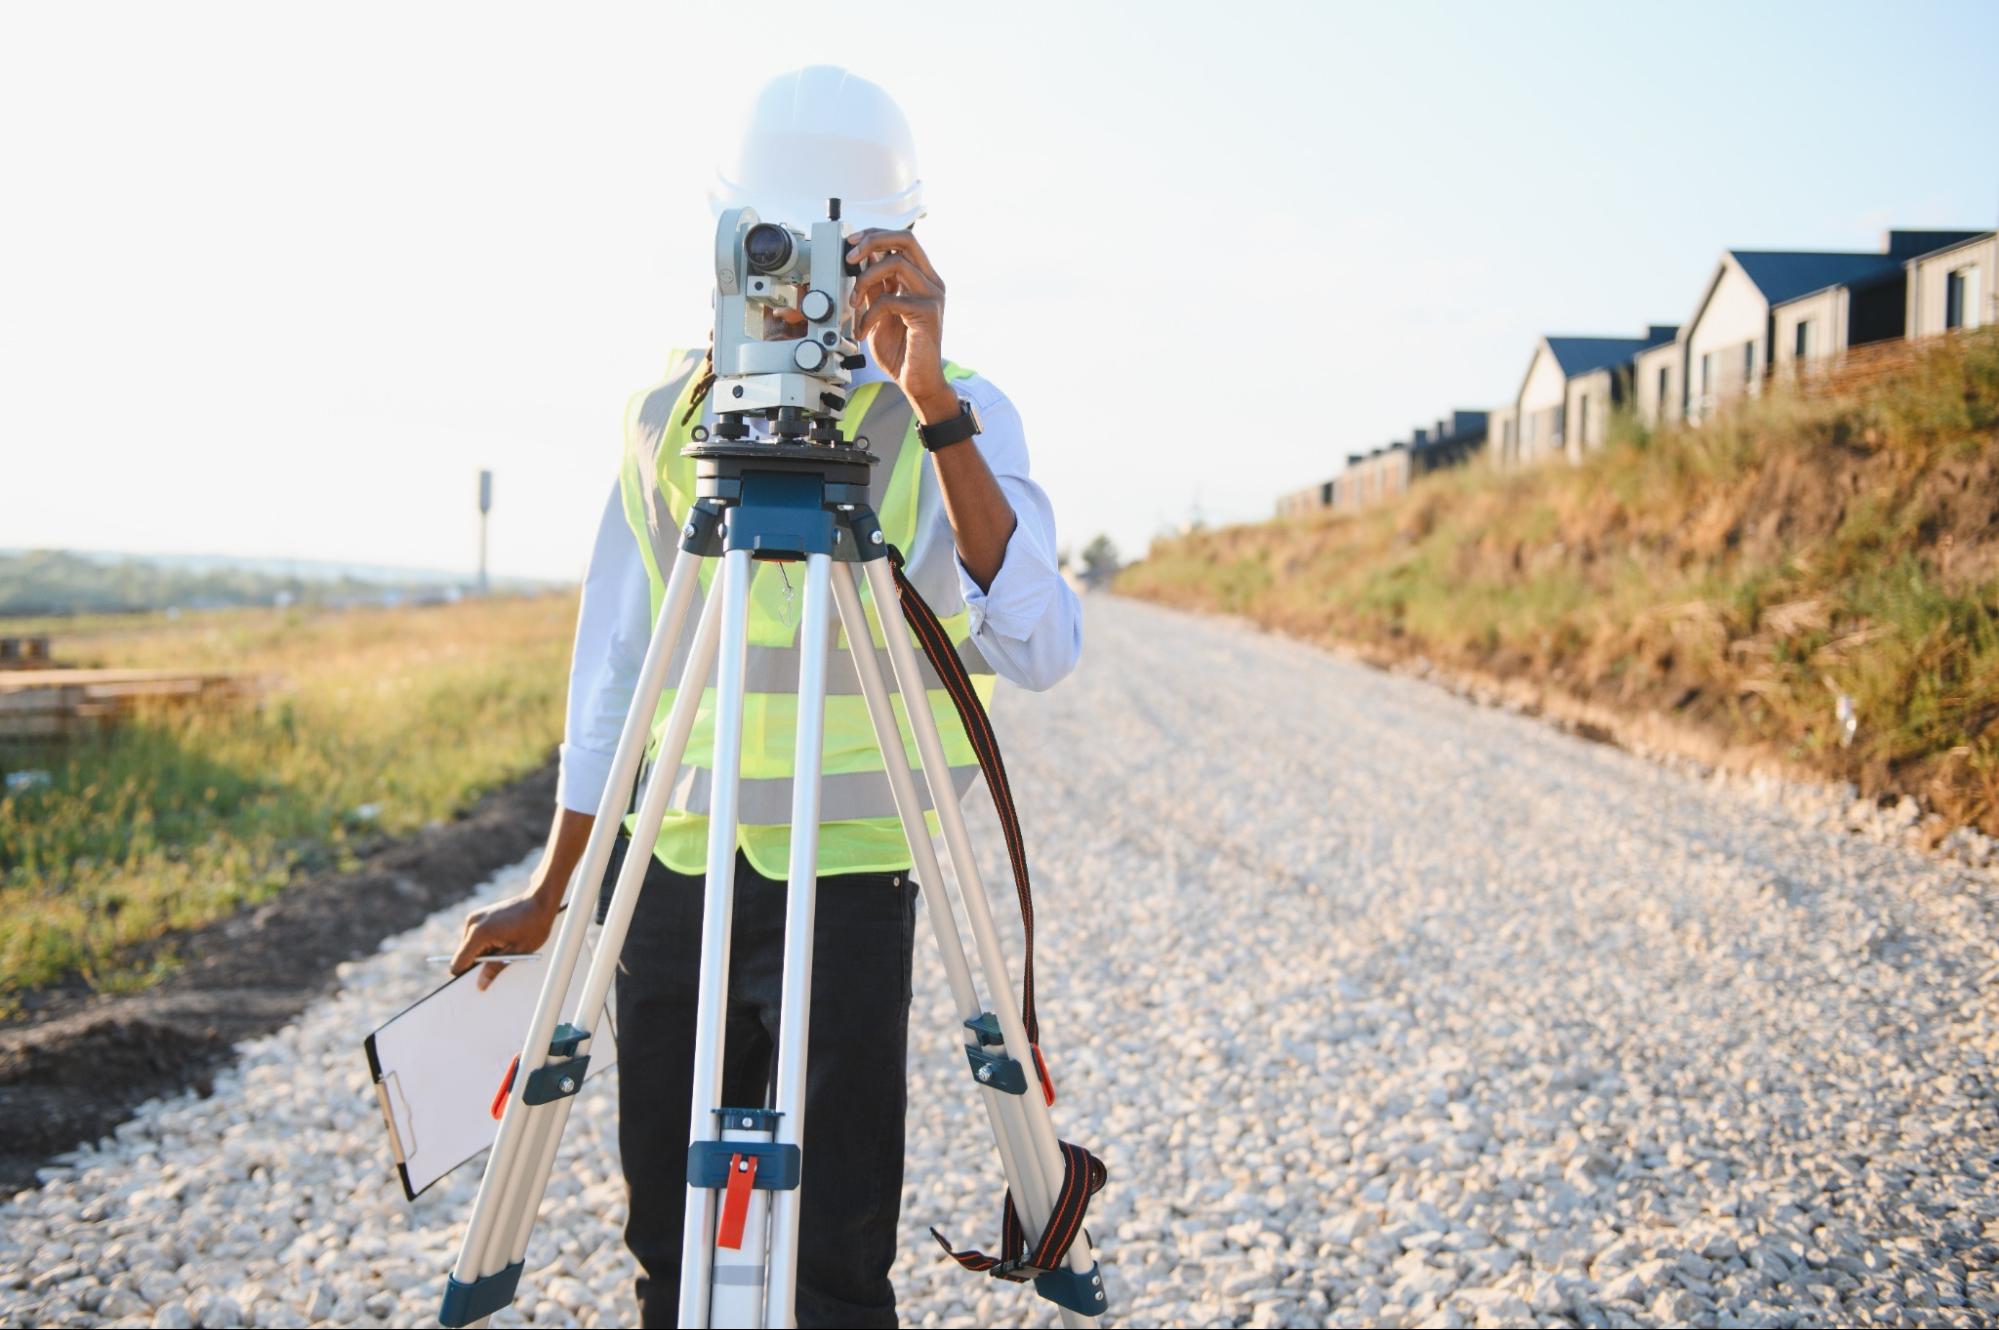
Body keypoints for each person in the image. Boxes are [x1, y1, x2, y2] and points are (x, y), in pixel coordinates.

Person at [449, 66, 1081, 1328]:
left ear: (893, 247)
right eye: (769, 243)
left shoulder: (950, 414)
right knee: (667, 1245)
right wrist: (557, 890)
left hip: (851, 874)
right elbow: (613, 680)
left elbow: (1041, 645)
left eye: (836, 246)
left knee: (837, 1259)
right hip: (675, 872)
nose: (799, 276)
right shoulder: (662, 422)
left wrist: (931, 399)